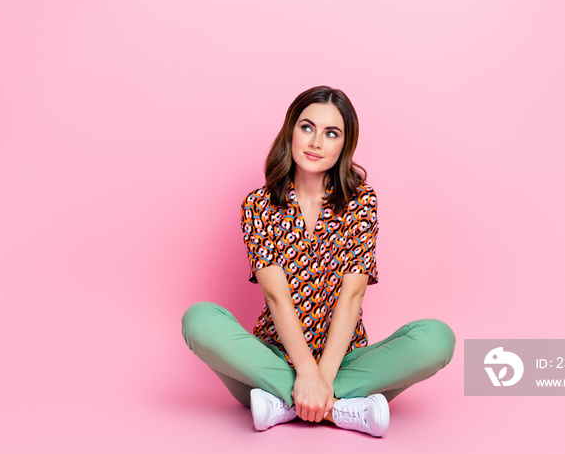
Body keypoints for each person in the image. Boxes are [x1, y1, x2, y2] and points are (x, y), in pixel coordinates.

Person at [182, 86, 455, 437]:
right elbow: (276, 296)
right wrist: (304, 376)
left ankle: (288, 406)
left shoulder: (361, 202)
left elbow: (352, 296)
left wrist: (321, 380)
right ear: (290, 131)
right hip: (269, 363)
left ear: (344, 144)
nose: (316, 142)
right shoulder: (259, 206)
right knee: (199, 319)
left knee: (436, 339)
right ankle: (340, 409)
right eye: (307, 128)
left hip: (344, 363)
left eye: (331, 133)